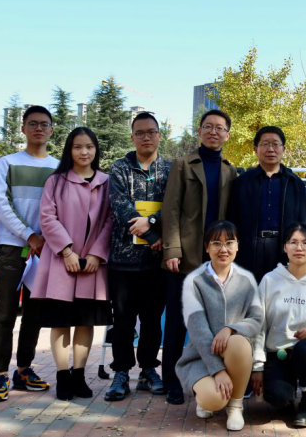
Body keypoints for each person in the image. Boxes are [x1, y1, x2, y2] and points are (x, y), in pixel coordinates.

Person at [30, 127, 113, 401]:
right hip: (60, 263)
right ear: (69, 150)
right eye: (78, 147)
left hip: (92, 265)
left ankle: (79, 375)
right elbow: (47, 217)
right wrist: (66, 251)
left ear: (96, 149)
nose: (84, 152)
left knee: (85, 322)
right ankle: (62, 376)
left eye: (89, 146)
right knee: (60, 322)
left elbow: (111, 221)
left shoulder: (106, 182)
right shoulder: (56, 181)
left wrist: (97, 254)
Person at [162, 109, 237, 404]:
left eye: (219, 128)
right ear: (200, 131)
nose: (213, 131)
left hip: (217, 260)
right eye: (208, 126)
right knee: (177, 322)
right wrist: (172, 249)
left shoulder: (230, 170)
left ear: (227, 135)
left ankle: (206, 377)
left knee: (211, 323)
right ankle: (171, 380)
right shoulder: (182, 164)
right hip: (185, 257)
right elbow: (170, 209)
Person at [0, 105, 59, 402]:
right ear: (23, 128)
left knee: (34, 313)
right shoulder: (7, 162)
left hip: (45, 250)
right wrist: (29, 234)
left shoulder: (58, 167)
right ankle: (0, 374)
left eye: (44, 124)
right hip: (11, 247)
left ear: (52, 130)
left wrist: (45, 239)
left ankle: (24, 369)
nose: (38, 128)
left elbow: (59, 207)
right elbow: (1, 205)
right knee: (5, 312)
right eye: (32, 123)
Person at [104, 112, 171, 401]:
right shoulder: (120, 168)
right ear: (132, 137)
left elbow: (174, 205)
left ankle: (147, 370)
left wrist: (153, 223)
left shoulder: (170, 170)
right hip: (124, 261)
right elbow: (120, 207)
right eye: (140, 132)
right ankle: (121, 372)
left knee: (152, 320)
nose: (146, 137)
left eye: (151, 132)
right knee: (122, 320)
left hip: (156, 262)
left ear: (159, 135)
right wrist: (153, 236)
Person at [176, 220, 263, 431]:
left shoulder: (247, 280)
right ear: (207, 247)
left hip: (235, 354)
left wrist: (231, 329)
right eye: (216, 243)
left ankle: (235, 406)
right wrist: (218, 370)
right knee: (214, 400)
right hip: (200, 358)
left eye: (229, 242)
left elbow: (256, 320)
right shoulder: (194, 282)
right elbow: (198, 332)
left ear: (238, 246)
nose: (223, 249)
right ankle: (207, 396)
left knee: (239, 343)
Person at [251, 223, 306, 428]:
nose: (299, 248)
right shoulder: (270, 280)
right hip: (277, 354)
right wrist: (257, 366)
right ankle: (287, 395)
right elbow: (258, 325)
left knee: (304, 349)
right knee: (277, 397)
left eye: (305, 243)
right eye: (293, 242)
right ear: (284, 247)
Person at [228, 126, 306, 281]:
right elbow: (232, 219)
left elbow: (302, 222)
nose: (270, 149)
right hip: (250, 249)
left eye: (275, 144)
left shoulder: (294, 183)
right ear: (255, 149)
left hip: (283, 250)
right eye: (265, 144)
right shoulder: (242, 182)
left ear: (283, 149)